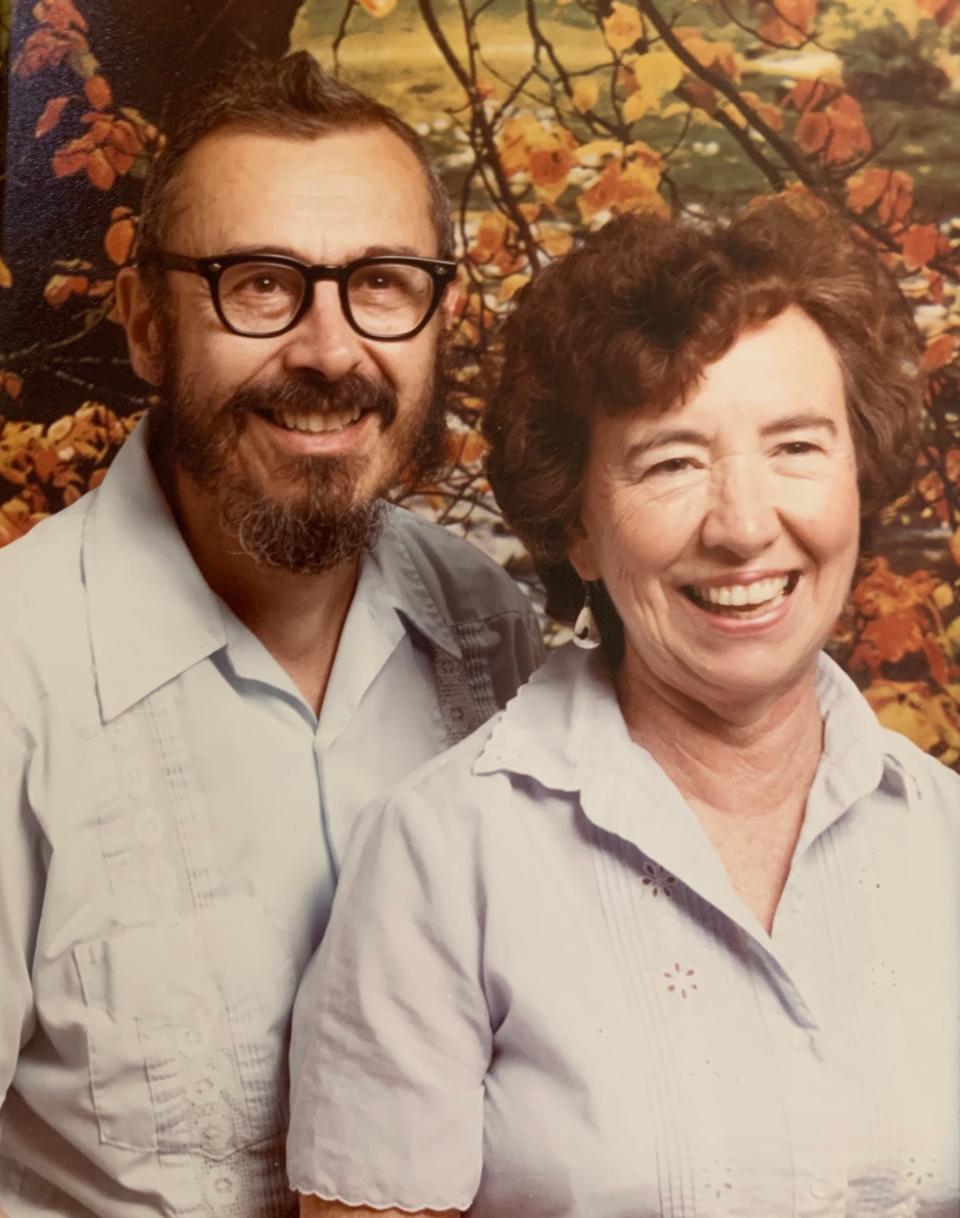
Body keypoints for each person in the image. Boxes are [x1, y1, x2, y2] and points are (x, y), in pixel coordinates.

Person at [287, 204, 960, 1218]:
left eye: (796, 448)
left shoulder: (945, 842)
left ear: (859, 479)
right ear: (579, 528)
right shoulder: (441, 858)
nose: (742, 527)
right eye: (671, 461)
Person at [0, 53, 541, 1218]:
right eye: (260, 284)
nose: (331, 351)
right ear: (145, 326)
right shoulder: (18, 676)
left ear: (439, 313)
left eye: (383, 283)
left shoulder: (497, 637)